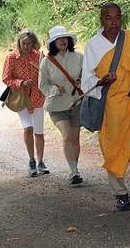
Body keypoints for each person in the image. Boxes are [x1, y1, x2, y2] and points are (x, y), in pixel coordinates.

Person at [82, 2, 130, 211]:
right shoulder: (93, 45)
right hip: (111, 104)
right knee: (114, 147)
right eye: (108, 18)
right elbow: (86, 81)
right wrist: (103, 82)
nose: (113, 22)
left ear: (121, 19)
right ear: (101, 20)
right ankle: (120, 193)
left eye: (117, 18)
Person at [39, 26, 84, 184]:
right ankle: (72, 171)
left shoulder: (79, 57)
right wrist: (54, 90)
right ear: (53, 43)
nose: (62, 41)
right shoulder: (47, 61)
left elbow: (87, 76)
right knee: (67, 135)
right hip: (57, 105)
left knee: (75, 137)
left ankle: (75, 169)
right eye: (58, 39)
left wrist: (81, 82)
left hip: (76, 102)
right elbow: (42, 85)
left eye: (64, 38)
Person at [2, 29, 49, 177]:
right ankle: (31, 160)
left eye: (29, 44)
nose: (26, 47)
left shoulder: (39, 56)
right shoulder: (12, 57)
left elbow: (47, 74)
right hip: (21, 98)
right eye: (24, 44)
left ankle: (41, 161)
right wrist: (21, 82)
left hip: (38, 97)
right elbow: (6, 78)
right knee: (28, 128)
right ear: (19, 43)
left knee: (39, 131)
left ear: (34, 43)